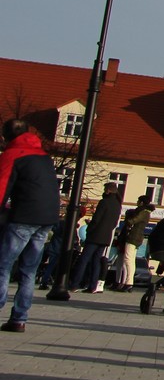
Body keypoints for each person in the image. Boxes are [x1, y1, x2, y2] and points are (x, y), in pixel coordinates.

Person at [0, 120, 59, 332]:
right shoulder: (44, 156)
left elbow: (2, 186)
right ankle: (19, 319)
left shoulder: (12, 153)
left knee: (3, 265)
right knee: (29, 270)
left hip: (24, 216)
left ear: (7, 136)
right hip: (47, 218)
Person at [71, 182, 123, 292]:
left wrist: (89, 229)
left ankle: (75, 284)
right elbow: (114, 223)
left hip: (95, 235)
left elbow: (97, 219)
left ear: (108, 190)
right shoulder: (117, 205)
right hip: (106, 237)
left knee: (84, 260)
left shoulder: (104, 202)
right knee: (96, 261)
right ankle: (93, 286)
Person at [114, 195, 154, 292]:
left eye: (138, 200)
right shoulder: (144, 212)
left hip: (133, 237)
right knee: (129, 260)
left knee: (128, 260)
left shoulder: (144, 212)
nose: (136, 202)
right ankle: (127, 283)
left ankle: (128, 283)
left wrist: (129, 219)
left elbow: (133, 221)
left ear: (141, 202)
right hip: (134, 237)